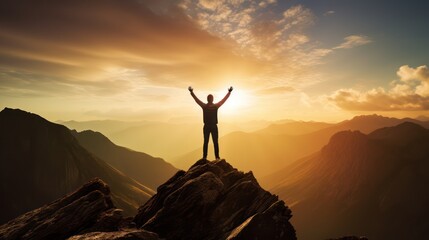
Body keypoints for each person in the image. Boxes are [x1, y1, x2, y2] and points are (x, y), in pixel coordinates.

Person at [188, 86, 233, 160]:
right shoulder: (215, 106)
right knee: (215, 142)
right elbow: (223, 100)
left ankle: (204, 157)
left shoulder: (204, 106)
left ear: (207, 99)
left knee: (206, 142)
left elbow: (197, 100)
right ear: (212, 99)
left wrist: (191, 92)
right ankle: (217, 157)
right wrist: (229, 92)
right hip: (213, 126)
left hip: (207, 126)